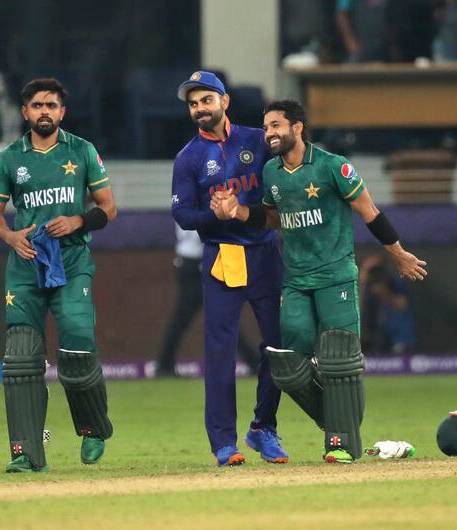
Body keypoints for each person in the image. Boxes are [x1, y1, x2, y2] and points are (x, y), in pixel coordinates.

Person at [213, 100, 427, 463]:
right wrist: (238, 211)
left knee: (339, 359)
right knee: (289, 366)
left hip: (336, 277)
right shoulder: (271, 172)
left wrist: (398, 252)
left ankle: (340, 444)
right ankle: (341, 428)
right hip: (295, 280)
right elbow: (274, 219)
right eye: (266, 128)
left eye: (276, 125)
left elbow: (369, 212)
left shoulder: (332, 166)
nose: (269, 134)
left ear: (297, 127)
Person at [0, 78, 117, 472]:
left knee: (77, 351)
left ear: (62, 112)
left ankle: (92, 428)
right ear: (25, 112)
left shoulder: (82, 150)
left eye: (52, 105)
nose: (45, 111)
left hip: (72, 263)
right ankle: (27, 454)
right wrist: (10, 236)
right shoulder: (10, 157)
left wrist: (78, 219)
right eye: (37, 105)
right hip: (26, 266)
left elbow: (108, 208)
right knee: (21, 360)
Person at [171, 71, 288, 467]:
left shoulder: (257, 140)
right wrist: (213, 213)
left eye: (206, 100)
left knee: (278, 348)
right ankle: (223, 442)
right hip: (223, 258)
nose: (199, 109)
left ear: (225, 101)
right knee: (219, 353)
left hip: (266, 254)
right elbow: (182, 213)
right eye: (193, 104)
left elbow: (283, 185)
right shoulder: (188, 157)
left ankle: (263, 429)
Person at [155, 225, 261, 377]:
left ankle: (253, 361)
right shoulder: (189, 204)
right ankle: (164, 364)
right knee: (186, 318)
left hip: (202, 261)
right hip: (193, 263)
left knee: (223, 315)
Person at [359, 255, 417, 354]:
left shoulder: (395, 282)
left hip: (399, 339)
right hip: (375, 339)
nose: (375, 274)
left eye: (376, 269)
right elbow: (357, 310)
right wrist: (362, 281)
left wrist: (384, 293)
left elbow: (402, 305)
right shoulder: (367, 288)